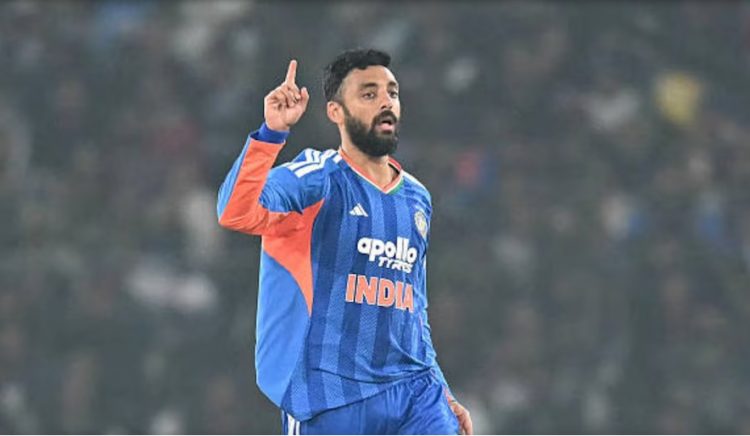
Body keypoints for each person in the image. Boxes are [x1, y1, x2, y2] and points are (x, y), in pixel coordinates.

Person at [217, 48, 472, 435]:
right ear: (336, 111)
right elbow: (235, 211)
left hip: (414, 393)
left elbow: (413, 307)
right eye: (369, 94)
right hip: (329, 397)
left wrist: (442, 389)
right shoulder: (316, 179)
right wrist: (271, 134)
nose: (386, 102)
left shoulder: (416, 197)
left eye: (392, 92)